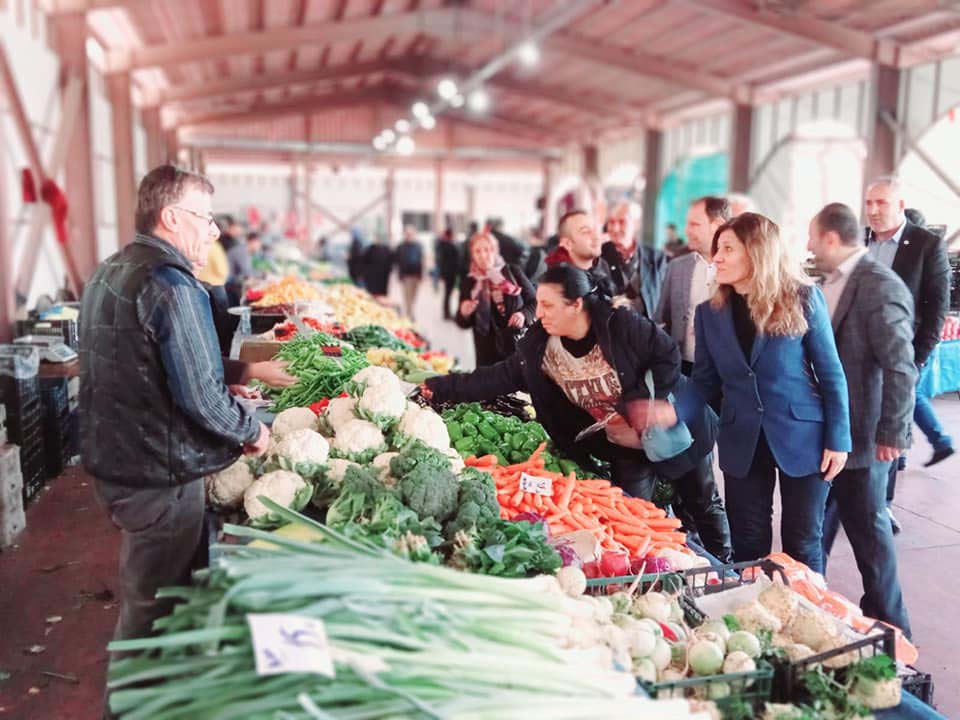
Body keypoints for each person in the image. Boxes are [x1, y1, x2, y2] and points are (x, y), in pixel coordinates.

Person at [79, 165, 271, 656]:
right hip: (157, 473)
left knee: (149, 597)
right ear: (170, 218)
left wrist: (244, 378)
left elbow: (148, 364)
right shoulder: (174, 287)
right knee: (154, 612)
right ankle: (130, 704)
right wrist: (252, 430)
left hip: (117, 462)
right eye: (204, 217)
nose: (213, 230)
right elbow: (202, 398)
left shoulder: (111, 270)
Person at [647, 213, 851, 573]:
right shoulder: (709, 313)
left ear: (757, 252)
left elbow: (832, 374)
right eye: (717, 249)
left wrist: (839, 440)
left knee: (802, 540)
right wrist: (673, 411)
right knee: (748, 539)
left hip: (803, 435)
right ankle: (751, 614)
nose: (717, 258)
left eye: (728, 248)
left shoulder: (802, 297)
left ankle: (811, 615)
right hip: (743, 439)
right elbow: (705, 381)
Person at [423, 263, 682, 499]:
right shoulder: (540, 347)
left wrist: (634, 406)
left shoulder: (620, 324)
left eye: (548, 305)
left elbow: (668, 356)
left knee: (698, 500)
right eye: (538, 304)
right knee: (634, 510)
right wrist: (440, 387)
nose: (540, 313)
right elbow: (496, 377)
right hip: (623, 447)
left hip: (674, 427)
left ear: (576, 304)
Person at [807, 202, 914, 635]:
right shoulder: (825, 282)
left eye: (813, 239)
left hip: (866, 439)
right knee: (813, 539)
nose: (809, 247)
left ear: (832, 239)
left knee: (871, 543)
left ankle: (897, 638)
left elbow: (901, 366)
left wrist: (892, 431)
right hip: (829, 437)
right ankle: (812, 614)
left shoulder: (879, 286)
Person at [865, 178, 952, 532]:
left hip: (899, 356)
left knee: (889, 427)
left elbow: (936, 308)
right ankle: (855, 499)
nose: (872, 210)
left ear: (900, 204)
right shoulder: (860, 240)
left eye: (881, 203)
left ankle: (881, 506)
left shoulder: (926, 245)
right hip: (856, 354)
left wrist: (916, 360)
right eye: (869, 203)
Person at [658, 196, 732, 376]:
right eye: (687, 224)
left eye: (694, 224)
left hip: (725, 374)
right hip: (682, 370)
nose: (686, 230)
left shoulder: (737, 270)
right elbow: (661, 319)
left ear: (717, 225)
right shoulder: (676, 266)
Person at [455, 231, 537, 367]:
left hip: (515, 348)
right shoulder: (469, 282)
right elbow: (462, 322)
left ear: (495, 250)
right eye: (477, 251)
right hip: (485, 354)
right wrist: (464, 313)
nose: (483, 255)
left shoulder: (512, 272)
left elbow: (535, 301)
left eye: (487, 250)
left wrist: (523, 315)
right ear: (472, 255)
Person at [601, 200, 668, 320]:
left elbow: (665, 299)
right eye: (611, 222)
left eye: (622, 222)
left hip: (648, 332)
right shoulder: (598, 257)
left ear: (636, 224)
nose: (615, 228)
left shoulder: (657, 258)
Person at [395, 225, 424, 320]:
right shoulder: (401, 246)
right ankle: (408, 314)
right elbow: (397, 261)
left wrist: (422, 275)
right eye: (407, 234)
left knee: (414, 295)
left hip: (416, 275)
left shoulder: (418, 246)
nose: (409, 236)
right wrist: (400, 275)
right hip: (406, 276)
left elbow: (421, 260)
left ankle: (410, 311)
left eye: (411, 234)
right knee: (407, 295)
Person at [434, 228, 461, 320]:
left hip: (446, 273)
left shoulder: (441, 245)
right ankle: (447, 313)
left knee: (447, 294)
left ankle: (446, 313)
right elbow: (455, 260)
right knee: (448, 294)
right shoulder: (449, 245)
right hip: (450, 273)